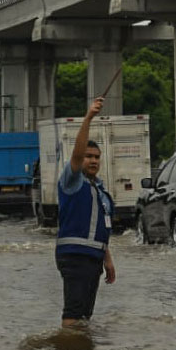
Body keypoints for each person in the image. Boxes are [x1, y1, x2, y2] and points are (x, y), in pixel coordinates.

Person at [55, 96, 117, 327]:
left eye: (97, 157)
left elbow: (101, 227)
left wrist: (107, 259)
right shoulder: (72, 182)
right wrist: (89, 117)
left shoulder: (99, 190)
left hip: (93, 258)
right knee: (73, 314)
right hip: (74, 257)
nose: (92, 161)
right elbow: (76, 155)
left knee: (85, 316)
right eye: (89, 157)